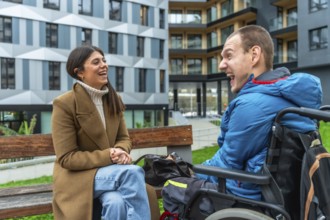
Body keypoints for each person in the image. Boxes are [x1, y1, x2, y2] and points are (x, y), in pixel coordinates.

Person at [161, 25, 323, 214]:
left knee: (172, 187)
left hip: (247, 201)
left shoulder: (252, 105)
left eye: (229, 56)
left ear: (254, 55)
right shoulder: (293, 100)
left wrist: (187, 169)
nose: (222, 65)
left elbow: (226, 163)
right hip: (285, 202)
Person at [51, 45, 157, 220]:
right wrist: (110, 155)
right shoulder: (65, 103)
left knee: (116, 202)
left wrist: (120, 150)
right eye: (96, 62)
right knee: (132, 172)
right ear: (80, 72)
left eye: (104, 61)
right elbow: (67, 158)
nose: (104, 65)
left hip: (111, 173)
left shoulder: (114, 100)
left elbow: (124, 138)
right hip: (78, 178)